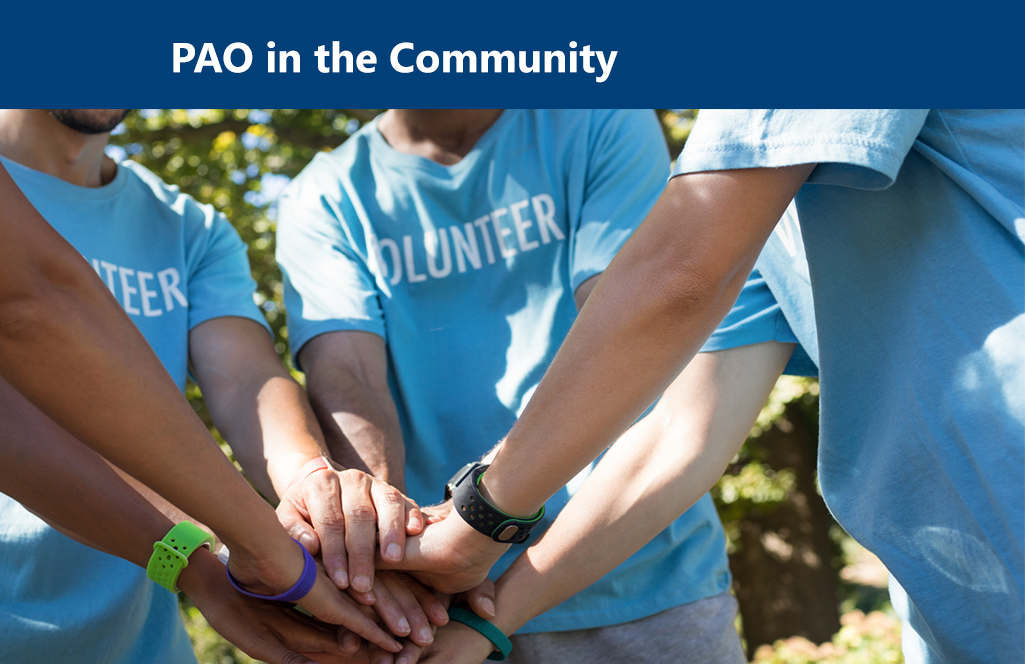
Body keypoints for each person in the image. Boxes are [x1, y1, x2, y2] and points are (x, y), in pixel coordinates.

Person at [0, 109, 399, 657]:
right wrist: (247, 550)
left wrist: (314, 496)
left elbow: (249, 381)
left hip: (142, 642)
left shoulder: (190, 228)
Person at [401, 109, 1025, 663]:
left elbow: (679, 276)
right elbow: (681, 434)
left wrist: (476, 521)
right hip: (967, 616)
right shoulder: (759, 176)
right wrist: (491, 622)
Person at [276, 109, 774, 663]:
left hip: (636, 567)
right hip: (435, 598)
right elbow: (346, 375)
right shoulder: (324, 195)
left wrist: (464, 530)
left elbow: (632, 320)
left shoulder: (600, 119)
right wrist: (384, 538)